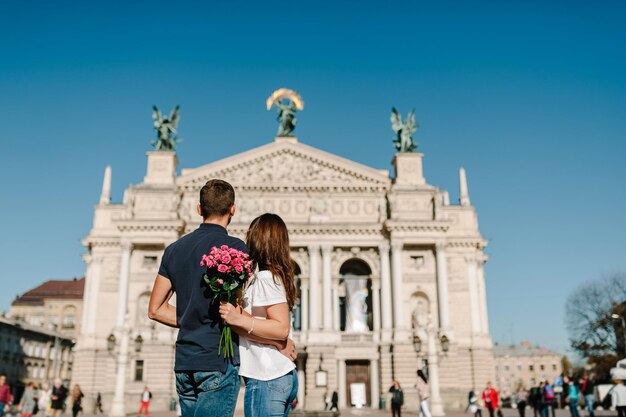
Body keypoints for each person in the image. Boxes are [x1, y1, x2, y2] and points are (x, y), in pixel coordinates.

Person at [149, 180, 297, 417]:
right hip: (218, 360)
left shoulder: (173, 250)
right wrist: (279, 339)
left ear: (199, 209)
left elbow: (155, 309)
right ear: (233, 209)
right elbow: (237, 311)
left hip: (185, 363)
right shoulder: (237, 250)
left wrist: (192, 318)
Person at [219, 213, 299, 417]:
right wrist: (280, 343)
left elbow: (281, 328)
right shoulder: (269, 278)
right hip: (273, 374)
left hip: (267, 375)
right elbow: (266, 330)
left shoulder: (266, 278)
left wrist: (241, 319)